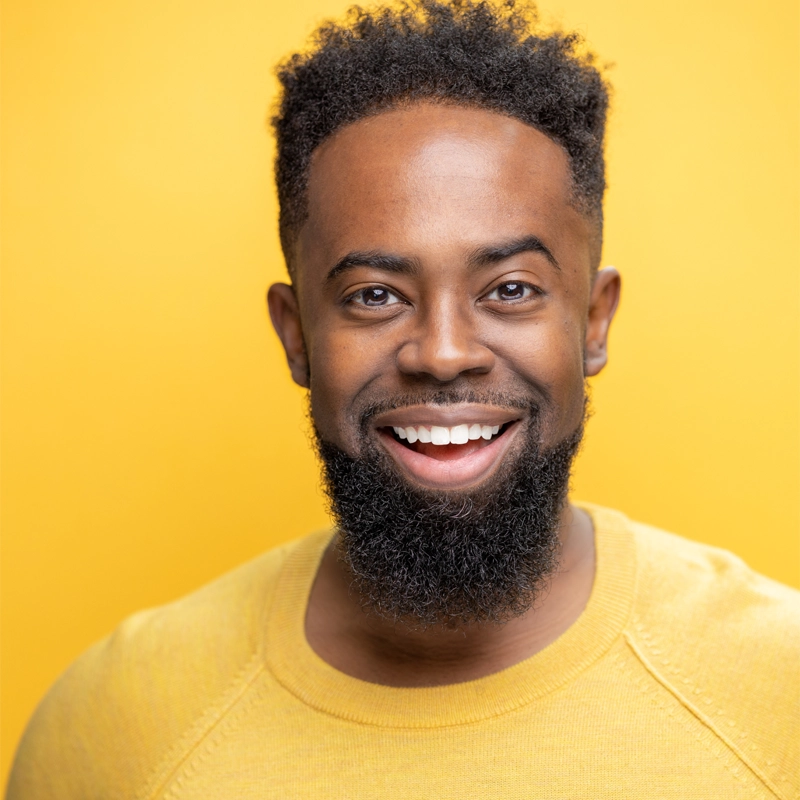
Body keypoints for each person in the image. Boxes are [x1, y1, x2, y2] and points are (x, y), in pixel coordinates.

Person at [7, 0, 798, 796]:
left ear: (593, 321)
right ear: (297, 336)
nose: (444, 353)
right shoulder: (118, 726)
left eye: (512, 288)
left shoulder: (777, 695)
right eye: (376, 296)